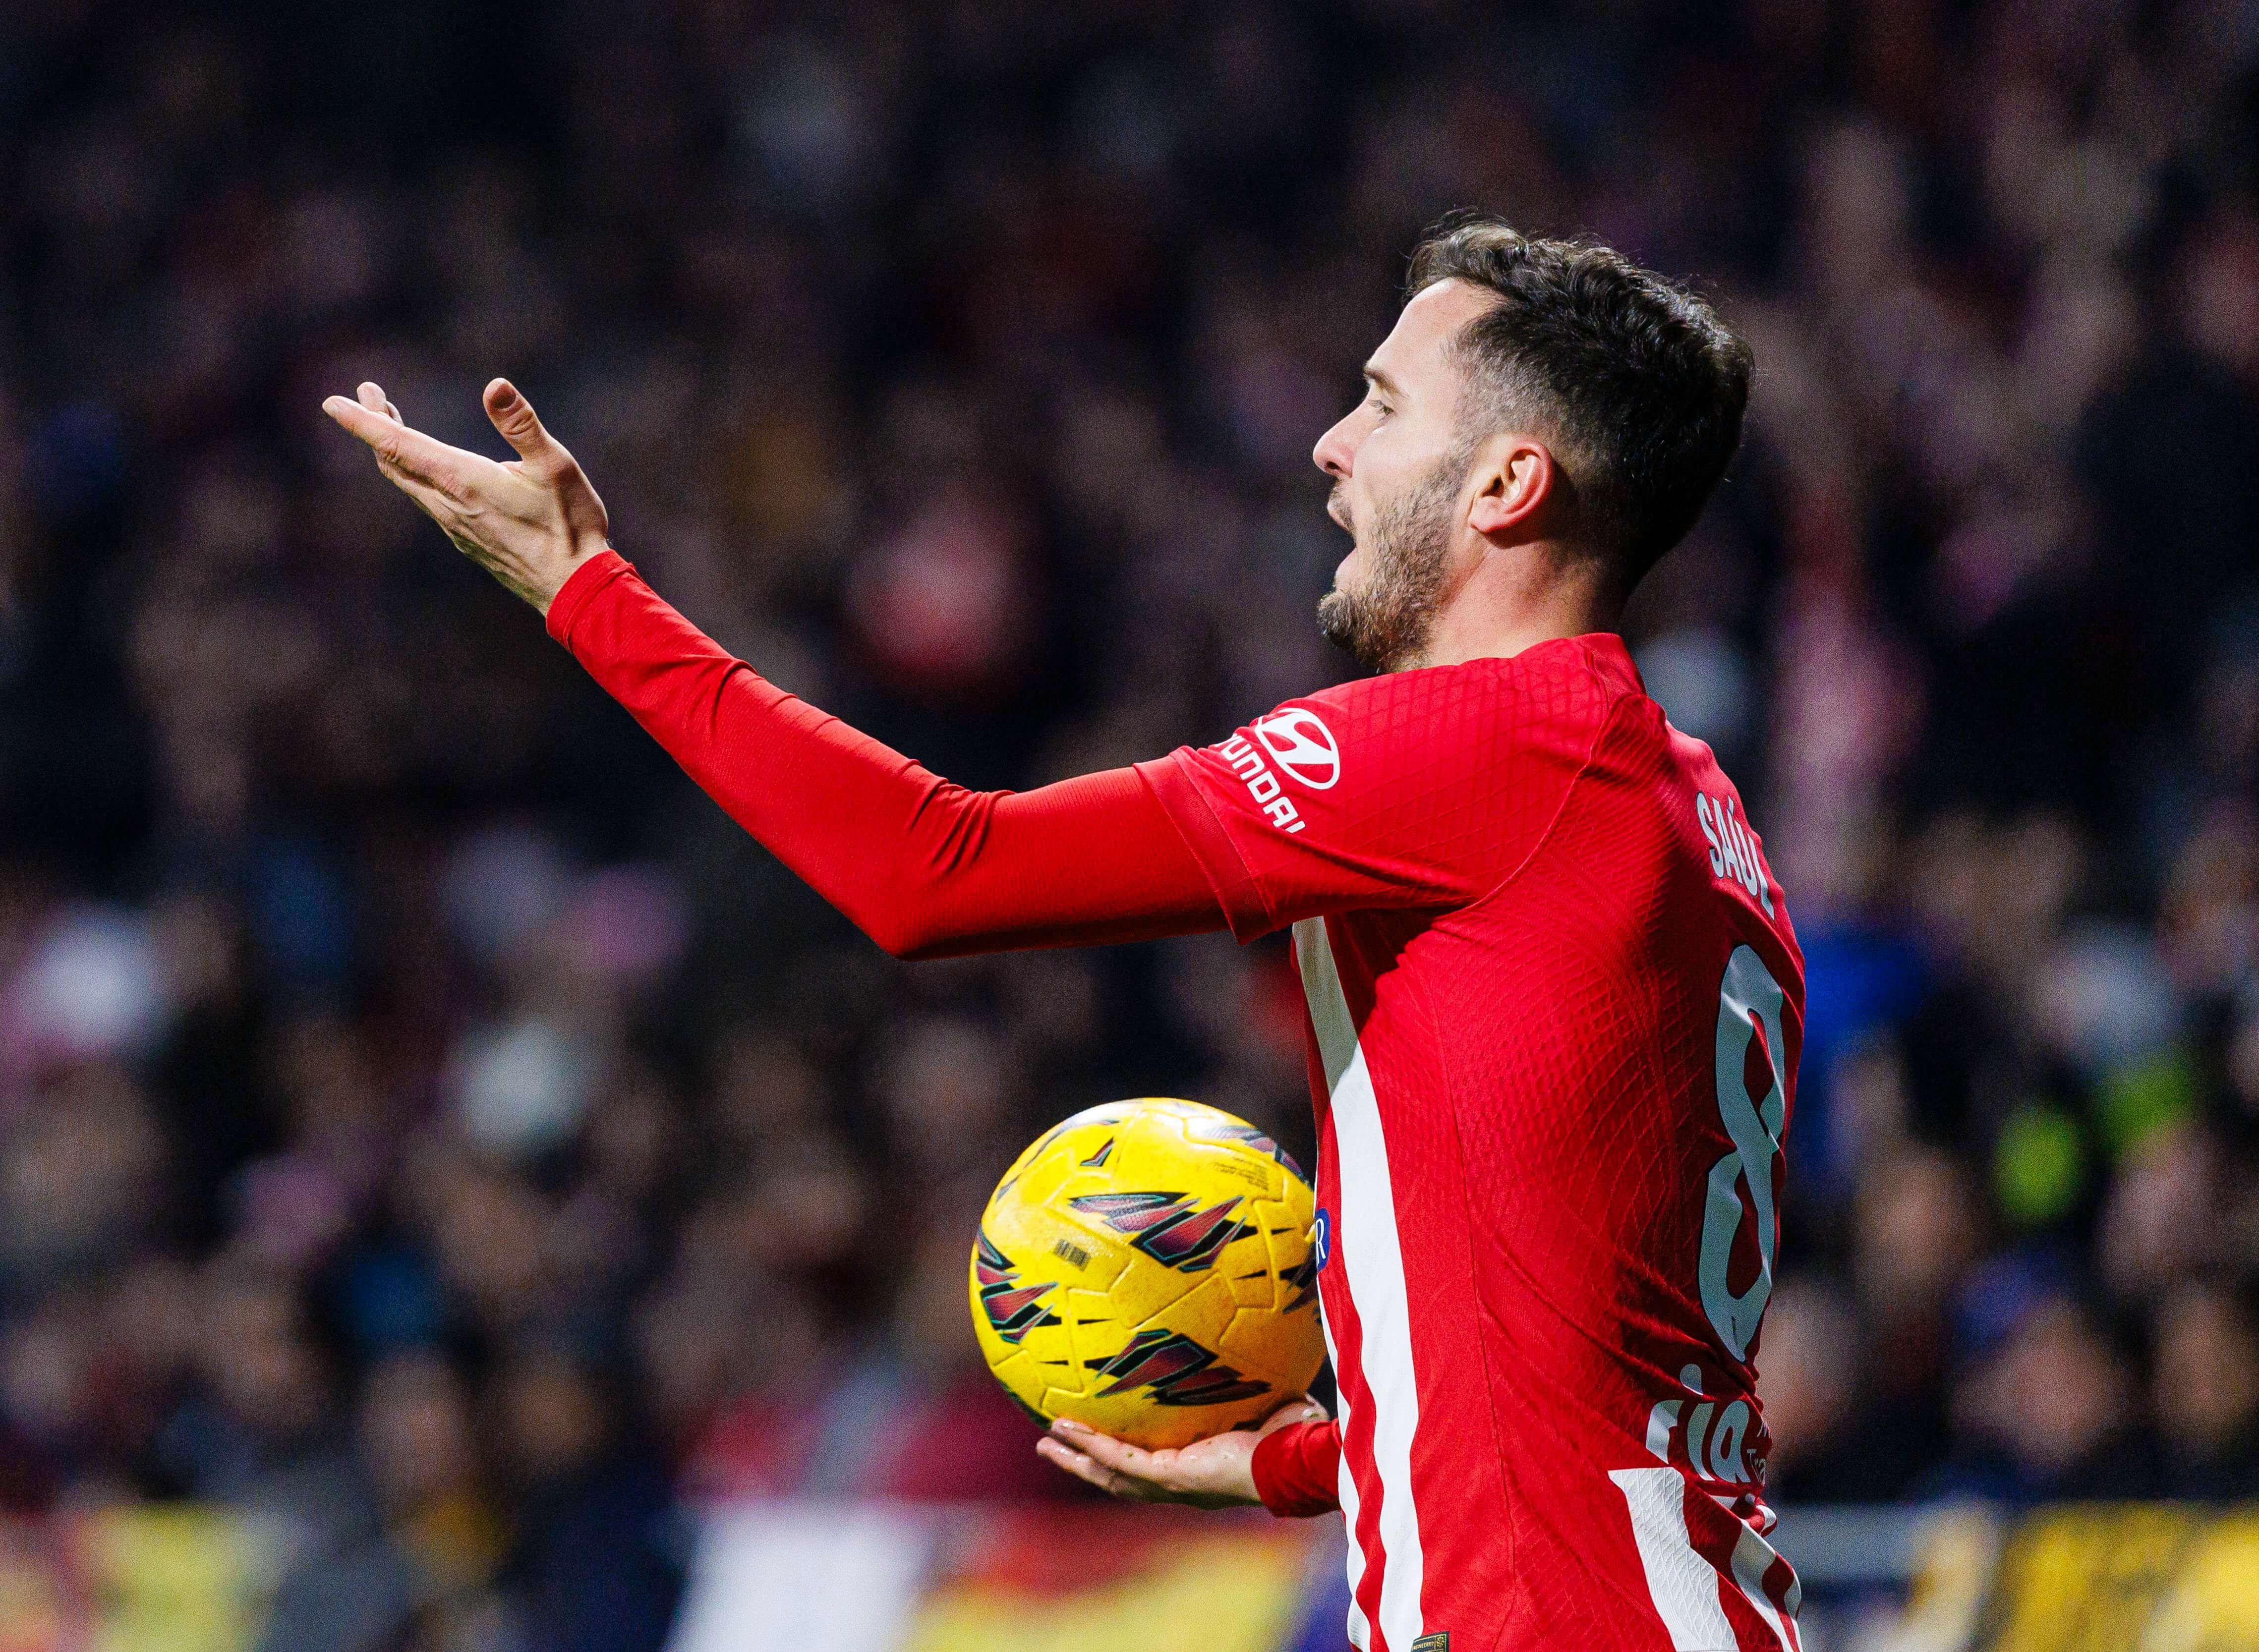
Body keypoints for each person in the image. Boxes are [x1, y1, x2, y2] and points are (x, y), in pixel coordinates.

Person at [323, 218, 1800, 1652]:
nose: (1331, 445)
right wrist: (1296, 1460)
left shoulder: (1487, 748)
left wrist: (591, 594)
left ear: (1505, 484)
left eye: (1383, 405)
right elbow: (1593, 1337)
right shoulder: (1698, 819)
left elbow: (941, 872)